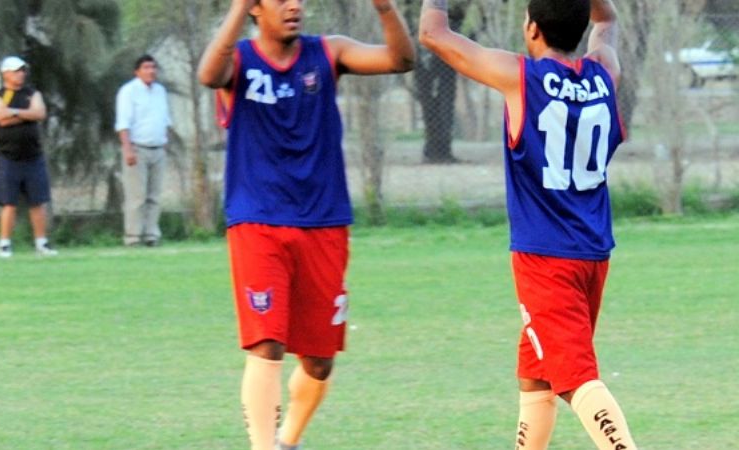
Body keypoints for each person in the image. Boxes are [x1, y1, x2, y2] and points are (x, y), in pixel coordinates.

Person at [420, 0, 639, 449]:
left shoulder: (523, 77)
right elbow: (607, 20)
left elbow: (433, 34)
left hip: (545, 257)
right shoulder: (603, 75)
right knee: (536, 376)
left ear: (532, 29)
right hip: (593, 255)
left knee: (575, 378)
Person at [198, 1, 415, 449]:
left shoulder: (328, 53)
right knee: (267, 343)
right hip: (257, 220)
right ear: (257, 8)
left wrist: (386, 9)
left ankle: (287, 440)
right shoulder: (238, 60)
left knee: (319, 361)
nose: (294, 5)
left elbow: (401, 60)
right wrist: (239, 10)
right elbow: (207, 75)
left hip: (324, 221)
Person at [0, 56, 57, 258]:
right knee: (9, 202)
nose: (21, 74)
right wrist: (24, 113)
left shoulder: (32, 93)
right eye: (16, 71)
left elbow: (39, 112)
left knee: (37, 201)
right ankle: (4, 244)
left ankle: (41, 243)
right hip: (8, 157)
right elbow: (0, 118)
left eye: (22, 70)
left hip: (33, 156)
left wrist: (14, 112)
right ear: (6, 74)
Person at [114, 54, 172, 247]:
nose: (151, 71)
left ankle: (151, 235)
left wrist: (165, 144)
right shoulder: (128, 91)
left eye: (153, 67)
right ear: (137, 71)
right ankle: (133, 237)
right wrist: (127, 149)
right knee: (136, 196)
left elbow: (164, 120)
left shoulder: (160, 91)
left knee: (154, 196)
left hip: (158, 148)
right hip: (137, 148)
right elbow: (123, 123)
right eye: (146, 67)